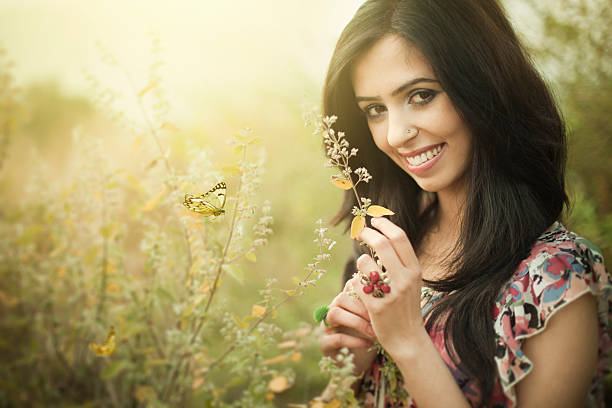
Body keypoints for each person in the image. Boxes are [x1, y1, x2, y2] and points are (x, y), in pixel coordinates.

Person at [317, 0, 612, 407]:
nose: (396, 134)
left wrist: (406, 343)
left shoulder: (555, 284)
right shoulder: (391, 245)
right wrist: (347, 372)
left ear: (484, 85)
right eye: (375, 109)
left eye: (421, 95)